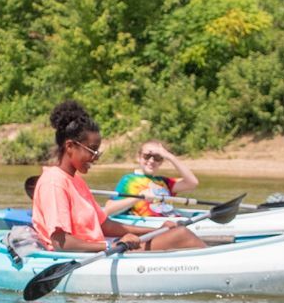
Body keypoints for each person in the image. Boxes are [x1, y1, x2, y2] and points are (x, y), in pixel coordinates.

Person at [32, 102, 203, 254]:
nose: (96, 158)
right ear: (70, 146)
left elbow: (105, 225)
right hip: (84, 256)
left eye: (98, 152)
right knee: (182, 235)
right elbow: (61, 242)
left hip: (101, 249)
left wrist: (156, 229)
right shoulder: (54, 182)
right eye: (92, 150)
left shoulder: (77, 180)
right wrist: (109, 246)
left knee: (175, 234)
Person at [108, 141, 199, 217]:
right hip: (152, 226)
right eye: (147, 156)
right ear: (138, 157)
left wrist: (170, 156)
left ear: (161, 162)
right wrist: (138, 198)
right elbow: (108, 210)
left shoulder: (164, 182)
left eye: (157, 157)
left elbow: (192, 183)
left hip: (172, 222)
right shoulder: (128, 180)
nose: (151, 161)